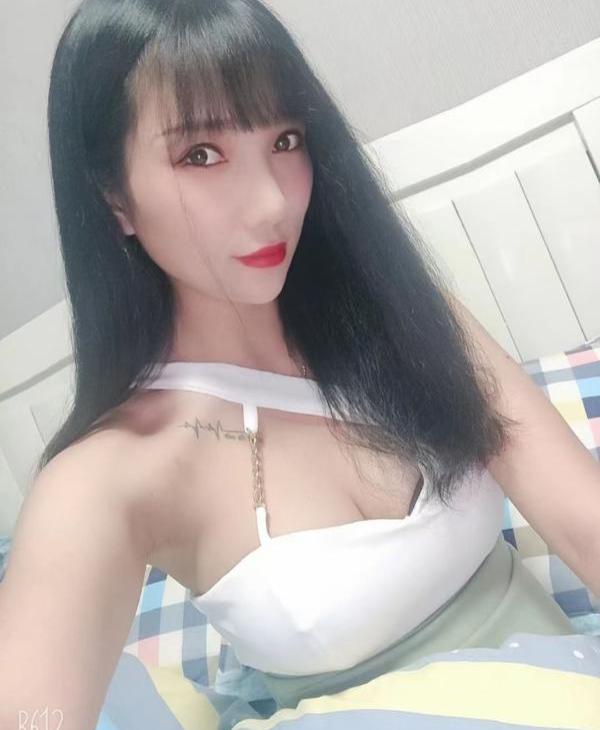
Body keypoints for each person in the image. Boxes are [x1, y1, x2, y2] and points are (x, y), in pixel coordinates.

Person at [1, 0, 599, 727]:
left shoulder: (401, 313)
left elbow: (584, 521)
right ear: (114, 198)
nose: (271, 202)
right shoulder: (111, 474)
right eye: (200, 154)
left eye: (286, 139)